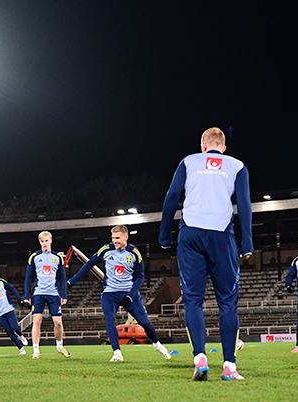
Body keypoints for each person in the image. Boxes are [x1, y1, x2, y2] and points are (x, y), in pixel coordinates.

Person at [158, 127, 252, 381]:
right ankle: (230, 367)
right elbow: (243, 203)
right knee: (228, 302)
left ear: (203, 145)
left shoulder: (189, 161)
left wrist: (164, 234)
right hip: (222, 235)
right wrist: (248, 242)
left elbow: (172, 197)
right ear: (223, 147)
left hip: (191, 234)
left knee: (193, 300)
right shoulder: (236, 165)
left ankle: (200, 358)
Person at [68, 225, 171, 362]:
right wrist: (72, 281)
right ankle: (117, 353)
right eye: (113, 238)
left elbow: (140, 277)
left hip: (129, 293)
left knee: (144, 323)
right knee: (109, 319)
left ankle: (158, 345)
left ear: (126, 237)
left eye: (117, 238)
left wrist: (130, 295)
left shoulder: (134, 253)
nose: (114, 241)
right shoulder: (106, 250)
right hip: (110, 293)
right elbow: (89, 264)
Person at [24, 231, 70, 359]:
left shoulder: (57, 257)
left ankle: (60, 346)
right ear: (40, 242)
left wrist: (64, 296)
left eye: (46, 240)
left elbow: (62, 278)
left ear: (51, 241)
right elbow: (28, 277)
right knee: (37, 320)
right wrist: (26, 295)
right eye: (42, 241)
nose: (44, 243)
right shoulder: (34, 257)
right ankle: (36, 350)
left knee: (58, 323)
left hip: (53, 294)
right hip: (38, 293)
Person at [0, 270, 28, 355]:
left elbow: (12, 288)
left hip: (8, 309)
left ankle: (21, 336)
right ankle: (21, 350)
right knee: (9, 331)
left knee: (14, 327)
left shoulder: (0, 281)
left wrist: (18, 298)